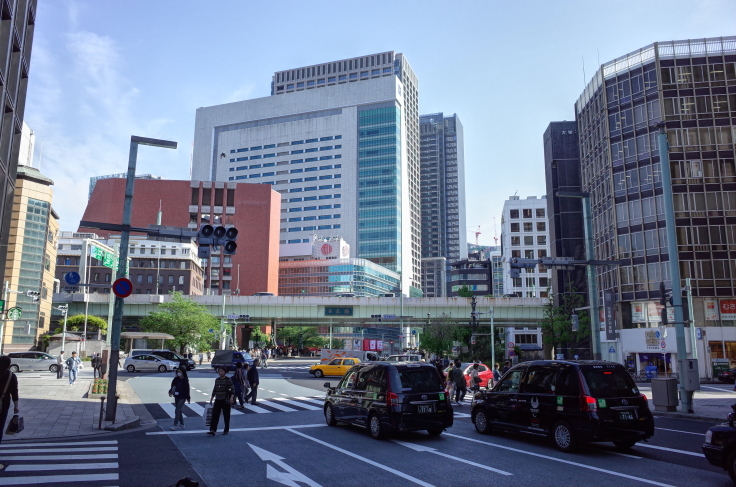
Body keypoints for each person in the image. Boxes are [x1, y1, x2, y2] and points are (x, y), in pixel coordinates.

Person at [208, 366, 234, 436]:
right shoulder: (217, 380)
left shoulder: (228, 379)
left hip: (225, 400)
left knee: (226, 415)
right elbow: (215, 389)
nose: (220, 372)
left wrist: (232, 397)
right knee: (215, 415)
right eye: (219, 371)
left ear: (225, 372)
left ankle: (226, 430)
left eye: (222, 371)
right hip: (217, 399)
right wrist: (211, 398)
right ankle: (213, 430)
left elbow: (232, 389)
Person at [0, 355, 19, 446]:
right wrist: (16, 406)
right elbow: (14, 392)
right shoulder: (11, 376)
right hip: (3, 404)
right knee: (0, 426)